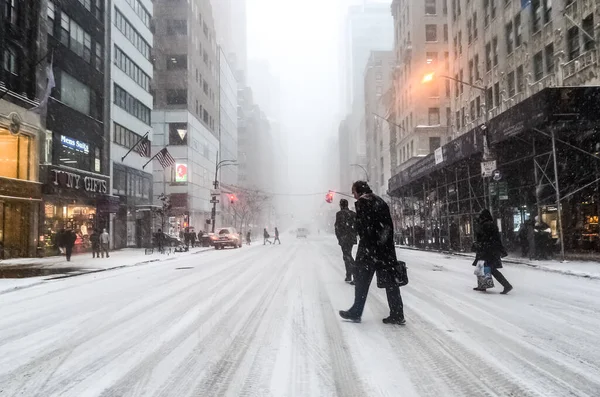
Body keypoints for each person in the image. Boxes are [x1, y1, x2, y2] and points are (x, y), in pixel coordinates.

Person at [339, 181, 406, 325]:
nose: (353, 195)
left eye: (354, 192)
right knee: (391, 282)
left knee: (361, 280)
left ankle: (356, 311)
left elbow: (364, 228)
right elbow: (386, 225)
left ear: (359, 191)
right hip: (386, 249)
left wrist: (356, 227)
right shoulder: (380, 201)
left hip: (369, 250)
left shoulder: (363, 203)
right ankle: (397, 313)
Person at [472, 209, 513, 294]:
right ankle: (483, 285)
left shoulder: (485, 225)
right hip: (491, 250)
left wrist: (479, 244)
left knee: (487, 268)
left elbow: (483, 237)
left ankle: (506, 285)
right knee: (484, 268)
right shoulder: (491, 224)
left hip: (486, 250)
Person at [335, 199, 357, 284]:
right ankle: (349, 275)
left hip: (344, 238)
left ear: (341, 205)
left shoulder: (339, 214)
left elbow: (337, 227)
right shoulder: (353, 214)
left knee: (347, 256)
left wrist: (339, 238)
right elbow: (356, 226)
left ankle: (353, 275)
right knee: (347, 255)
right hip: (350, 238)